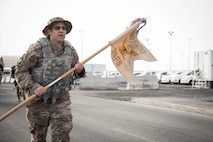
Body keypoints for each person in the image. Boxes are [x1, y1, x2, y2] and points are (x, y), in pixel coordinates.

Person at [15, 17, 85, 142]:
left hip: (61, 100)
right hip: (39, 102)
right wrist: (34, 87)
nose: (62, 31)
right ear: (49, 31)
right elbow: (21, 71)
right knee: (38, 138)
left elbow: (75, 72)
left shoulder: (70, 51)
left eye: (64, 28)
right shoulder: (37, 49)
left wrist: (80, 70)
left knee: (62, 135)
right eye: (57, 28)